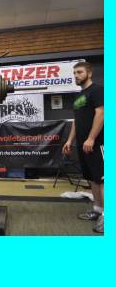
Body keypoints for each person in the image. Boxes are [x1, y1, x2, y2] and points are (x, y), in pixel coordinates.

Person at [62, 61, 104, 233]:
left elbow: (101, 113)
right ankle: (97, 210)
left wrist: (91, 138)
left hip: (97, 142)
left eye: (79, 72)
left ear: (89, 73)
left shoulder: (97, 90)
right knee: (92, 178)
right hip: (83, 144)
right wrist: (69, 140)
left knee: (103, 179)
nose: (76, 76)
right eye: (74, 73)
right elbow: (76, 120)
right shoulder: (79, 96)